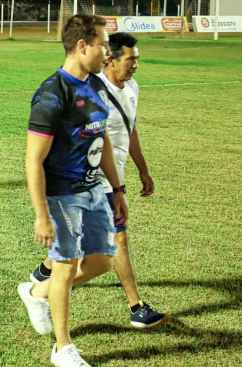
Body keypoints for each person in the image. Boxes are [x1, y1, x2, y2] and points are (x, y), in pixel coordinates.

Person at [17, 14, 128, 367]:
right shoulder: (53, 94)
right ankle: (63, 349)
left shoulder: (96, 84)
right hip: (62, 194)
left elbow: (102, 138)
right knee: (66, 266)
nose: (108, 52)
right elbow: (34, 159)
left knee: (101, 262)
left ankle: (36, 292)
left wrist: (117, 189)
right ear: (83, 46)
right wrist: (41, 214)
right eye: (103, 45)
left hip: (94, 190)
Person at [29, 32, 165, 328]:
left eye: (137, 59)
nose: (136, 65)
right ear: (111, 59)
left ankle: (42, 278)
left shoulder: (131, 88)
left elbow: (130, 130)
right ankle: (136, 307)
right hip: (90, 183)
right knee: (117, 240)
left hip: (113, 179)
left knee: (89, 255)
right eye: (130, 59)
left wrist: (142, 170)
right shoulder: (90, 91)